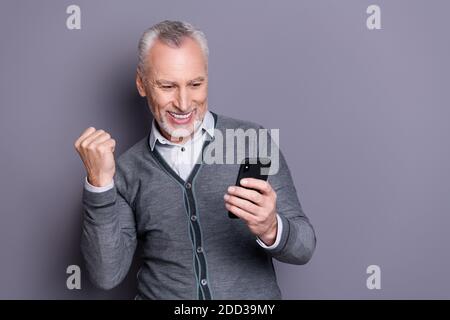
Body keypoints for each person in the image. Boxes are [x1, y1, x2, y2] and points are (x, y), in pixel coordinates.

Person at [74, 20, 316, 300]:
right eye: (167, 86)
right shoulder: (127, 170)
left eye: (195, 84)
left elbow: (305, 247)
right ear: (142, 84)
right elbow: (106, 275)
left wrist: (271, 227)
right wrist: (99, 185)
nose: (184, 103)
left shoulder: (252, 141)